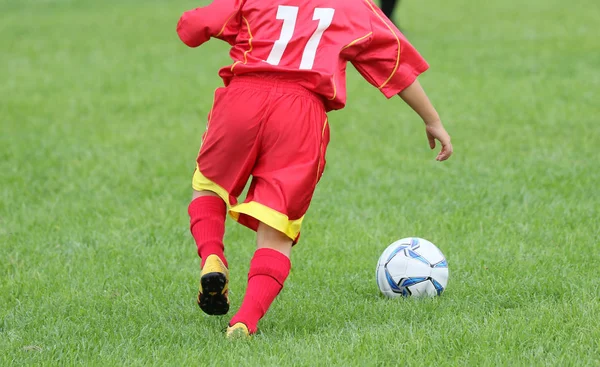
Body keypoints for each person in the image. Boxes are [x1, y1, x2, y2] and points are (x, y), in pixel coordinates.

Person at [177, 0, 453, 338]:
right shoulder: (354, 7)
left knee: (210, 186)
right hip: (301, 114)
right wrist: (432, 120)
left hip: (242, 99)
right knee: (277, 225)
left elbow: (191, 28)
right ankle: (244, 322)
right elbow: (395, 63)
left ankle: (212, 257)